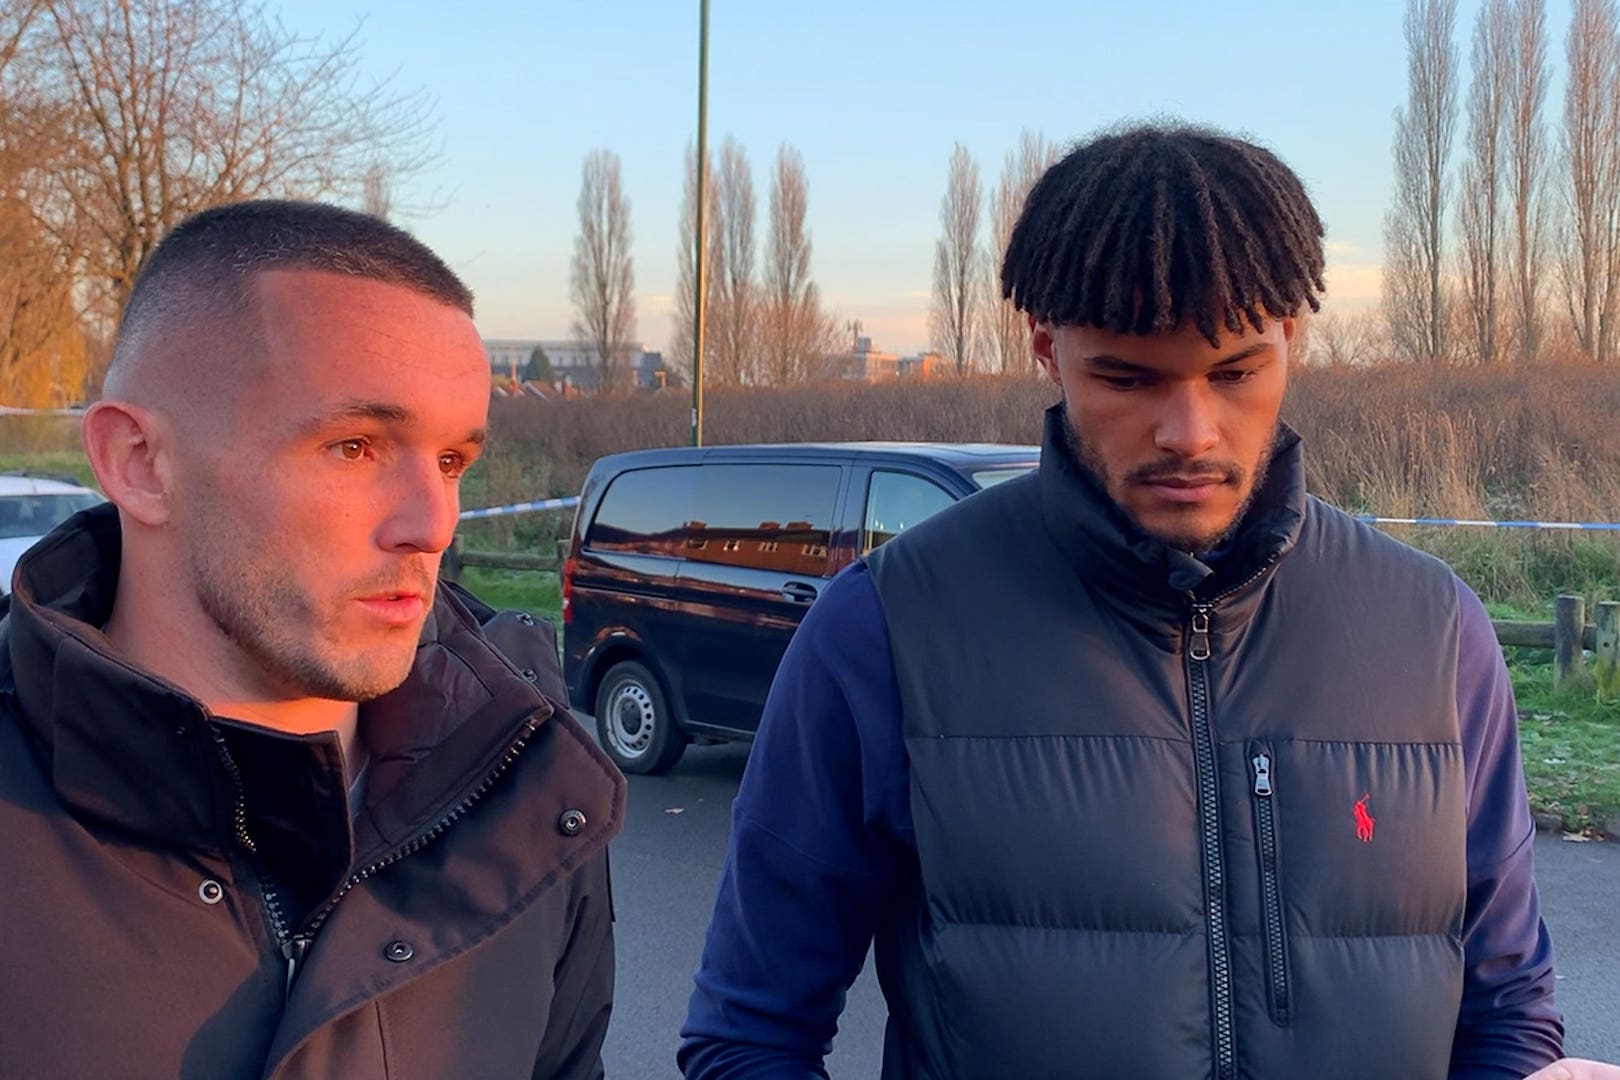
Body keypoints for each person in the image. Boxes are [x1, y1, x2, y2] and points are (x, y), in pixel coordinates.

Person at [680, 123, 1575, 1078]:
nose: (1190, 431)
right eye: (1127, 376)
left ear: (1292, 342)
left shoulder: (1433, 632)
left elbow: (1507, 1010)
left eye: (1236, 372)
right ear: (1046, 350)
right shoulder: (885, 631)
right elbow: (749, 1037)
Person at [0, 201, 624, 1078]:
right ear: (140, 462)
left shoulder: (526, 784)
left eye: (452, 461)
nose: (433, 524)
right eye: (356, 446)